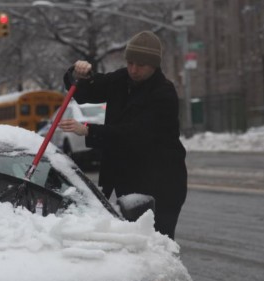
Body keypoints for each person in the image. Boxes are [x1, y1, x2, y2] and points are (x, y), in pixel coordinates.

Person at [59, 30, 187, 239]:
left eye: (141, 65)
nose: (134, 70)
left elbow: (137, 133)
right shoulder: (122, 79)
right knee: (129, 240)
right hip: (127, 177)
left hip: (161, 182)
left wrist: (89, 130)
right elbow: (87, 91)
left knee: (156, 243)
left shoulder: (163, 93)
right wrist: (79, 73)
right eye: (130, 63)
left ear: (154, 65)